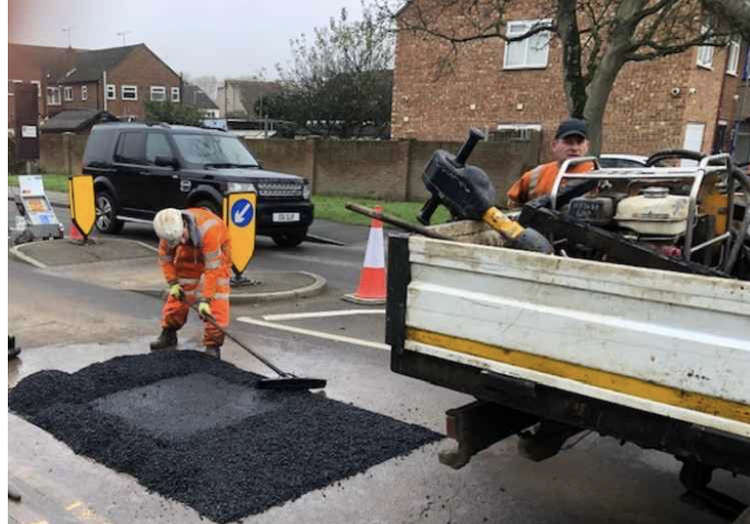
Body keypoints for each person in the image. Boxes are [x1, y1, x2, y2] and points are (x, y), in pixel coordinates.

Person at [150, 207, 232, 359]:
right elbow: (165, 258)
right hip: (190, 253)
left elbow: (212, 270)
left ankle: (212, 345)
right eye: (176, 241)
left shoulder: (210, 229)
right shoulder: (168, 231)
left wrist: (205, 300)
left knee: (217, 299)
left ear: (184, 225)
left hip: (216, 256)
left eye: (182, 237)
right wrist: (173, 283)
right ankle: (169, 333)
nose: (180, 242)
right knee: (180, 293)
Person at [506, 118, 594, 206]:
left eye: (579, 142)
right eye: (568, 142)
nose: (575, 148)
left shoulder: (597, 176)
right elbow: (512, 206)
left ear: (587, 146)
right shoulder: (535, 176)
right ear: (554, 145)